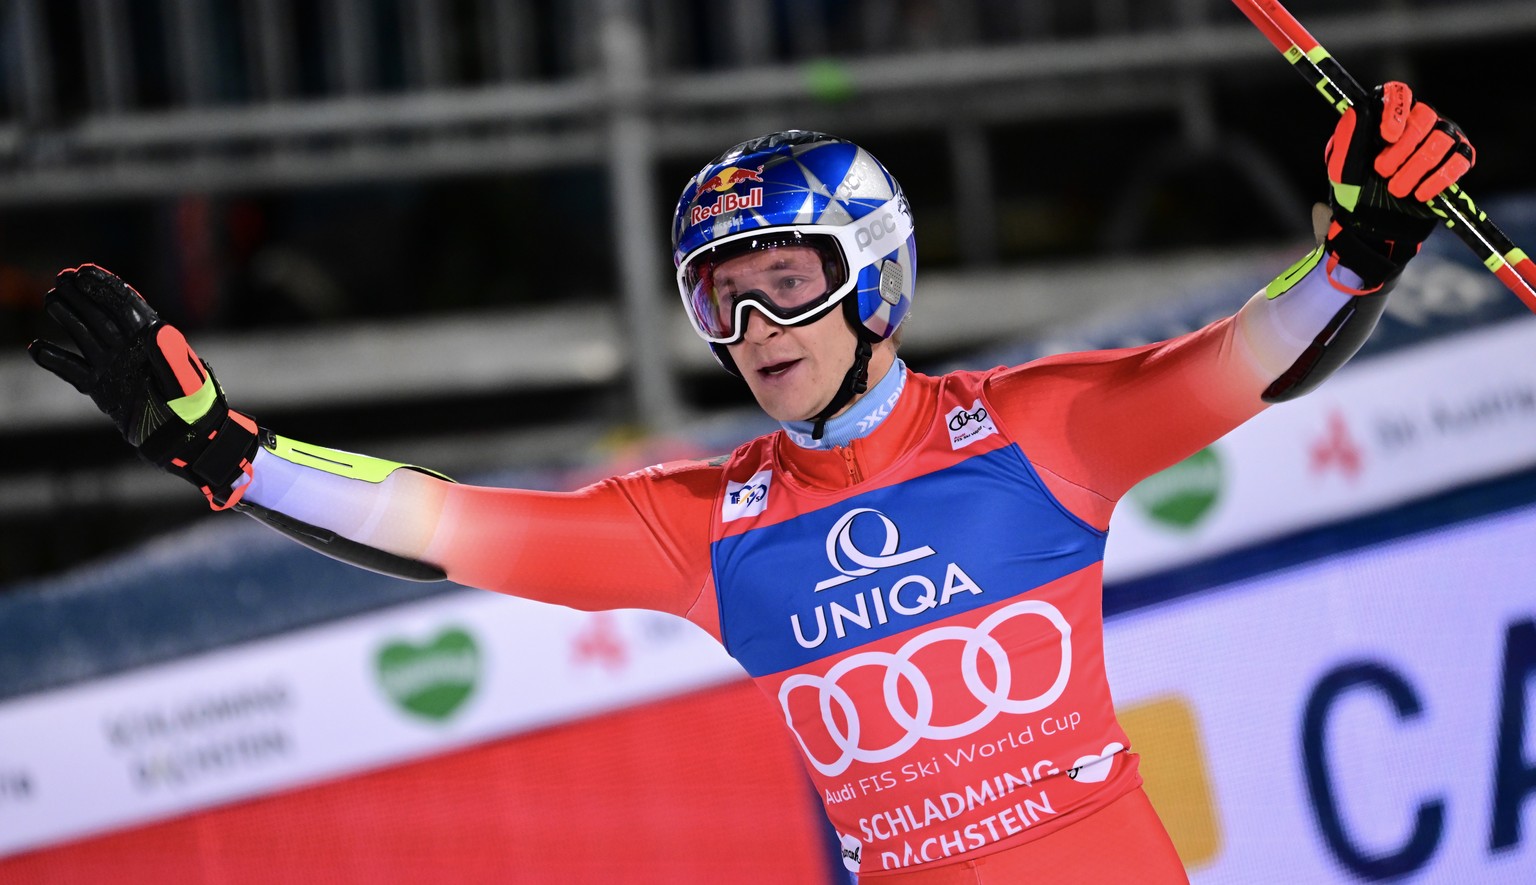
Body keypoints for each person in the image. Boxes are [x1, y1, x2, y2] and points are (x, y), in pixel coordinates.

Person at [28, 83, 1474, 882]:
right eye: (723, 301)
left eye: (789, 285)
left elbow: (1248, 364)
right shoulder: (708, 530)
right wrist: (231, 455)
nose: (757, 333)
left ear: (877, 286)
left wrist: (1362, 256)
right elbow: (443, 527)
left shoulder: (1037, 432)